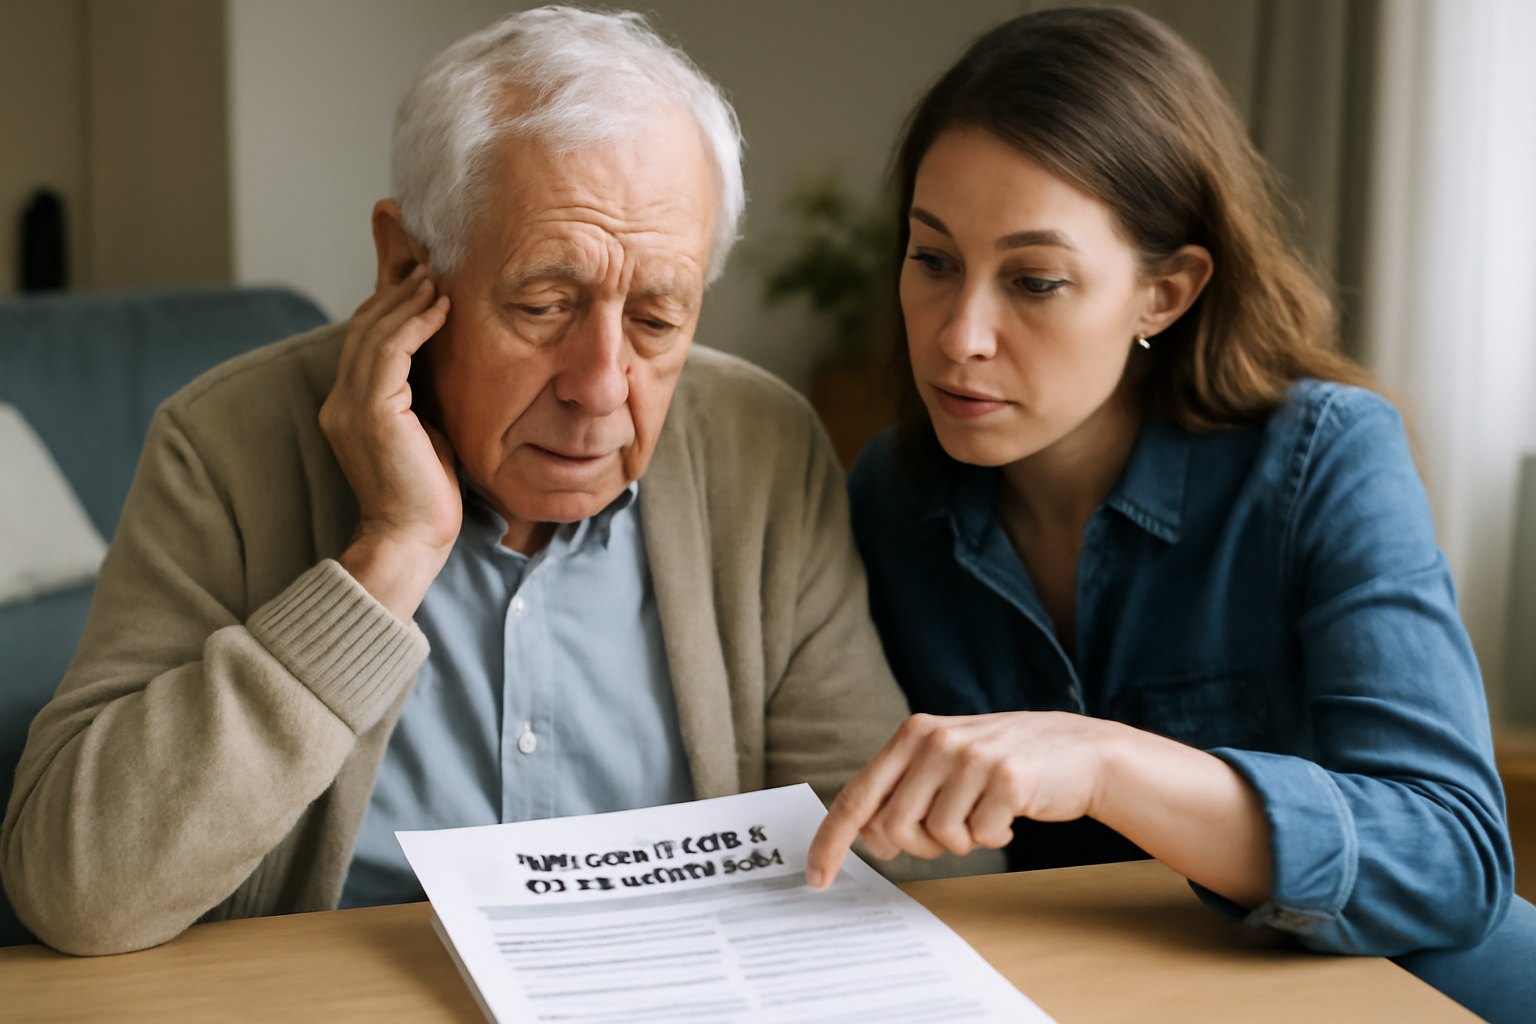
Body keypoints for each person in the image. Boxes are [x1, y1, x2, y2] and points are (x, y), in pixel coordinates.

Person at [0, 6, 944, 957]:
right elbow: (78, 892)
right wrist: (389, 555)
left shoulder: (762, 446)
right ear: (408, 267)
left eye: (658, 317)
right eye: (544, 304)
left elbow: (901, 856)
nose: (599, 387)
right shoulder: (226, 446)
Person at [805, 8, 1535, 1021]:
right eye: (933, 260)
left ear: (1165, 292)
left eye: (1036, 280)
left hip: (1421, 990)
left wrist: (1106, 761)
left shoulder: (1326, 456)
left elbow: (1453, 856)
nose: (960, 332)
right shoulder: (894, 493)